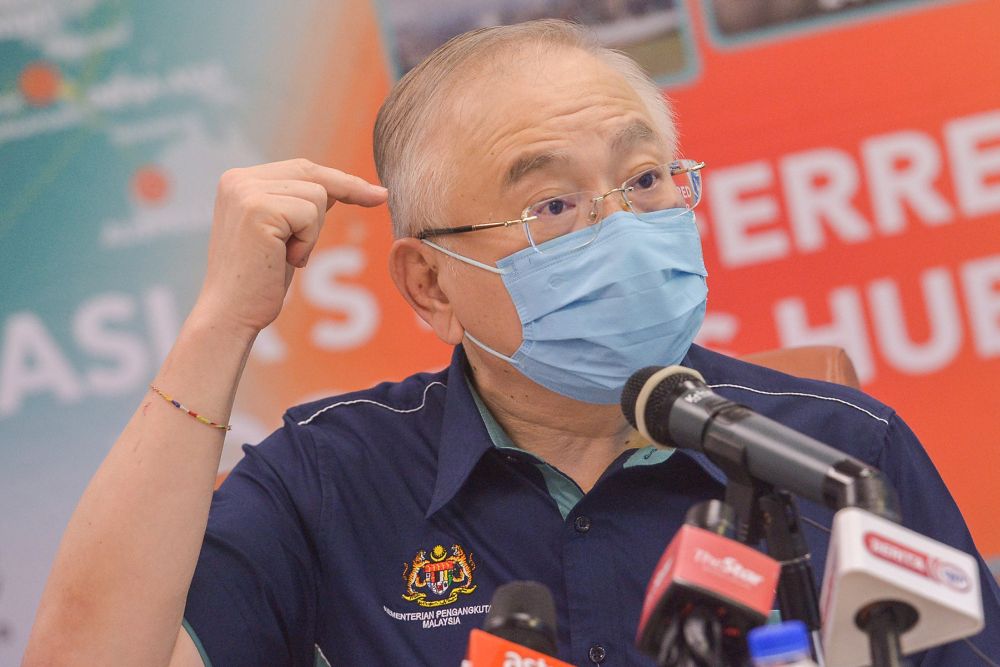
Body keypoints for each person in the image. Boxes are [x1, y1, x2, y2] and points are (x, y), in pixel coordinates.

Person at [23, 19, 1000, 667]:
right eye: (552, 202)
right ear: (430, 283)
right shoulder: (331, 478)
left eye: (647, 179)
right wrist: (219, 325)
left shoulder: (837, 454)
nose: (619, 226)